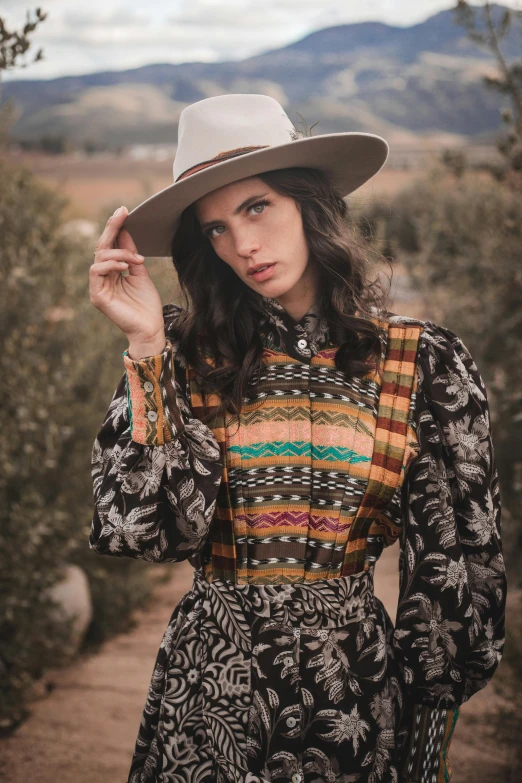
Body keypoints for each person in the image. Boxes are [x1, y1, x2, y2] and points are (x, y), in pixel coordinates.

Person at [88, 94, 506, 783]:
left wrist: (425, 748)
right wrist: (145, 346)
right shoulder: (180, 356)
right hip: (207, 698)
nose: (243, 244)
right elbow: (146, 532)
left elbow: (456, 581)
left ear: (310, 205)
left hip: (354, 700)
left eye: (257, 207)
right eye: (216, 228)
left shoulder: (422, 363)